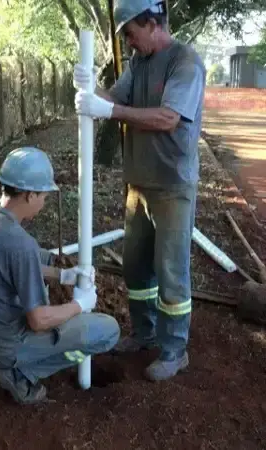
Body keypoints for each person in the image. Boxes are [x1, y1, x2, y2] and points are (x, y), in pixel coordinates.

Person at [73, 0, 206, 381]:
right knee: (136, 267)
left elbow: (168, 118)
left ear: (152, 23)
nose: (129, 43)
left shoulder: (185, 62)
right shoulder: (138, 64)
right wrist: (88, 87)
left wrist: (110, 112)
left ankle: (173, 349)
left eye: (131, 34)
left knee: (171, 271)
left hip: (171, 186)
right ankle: (144, 333)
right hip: (139, 185)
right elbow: (112, 99)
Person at [0, 147, 120, 404]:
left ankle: (10, 364)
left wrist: (62, 275)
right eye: (44, 195)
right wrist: (80, 305)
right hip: (6, 344)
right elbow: (39, 321)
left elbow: (8, 262)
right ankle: (21, 373)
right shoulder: (20, 244)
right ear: (30, 195)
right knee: (108, 331)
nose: (44, 203)